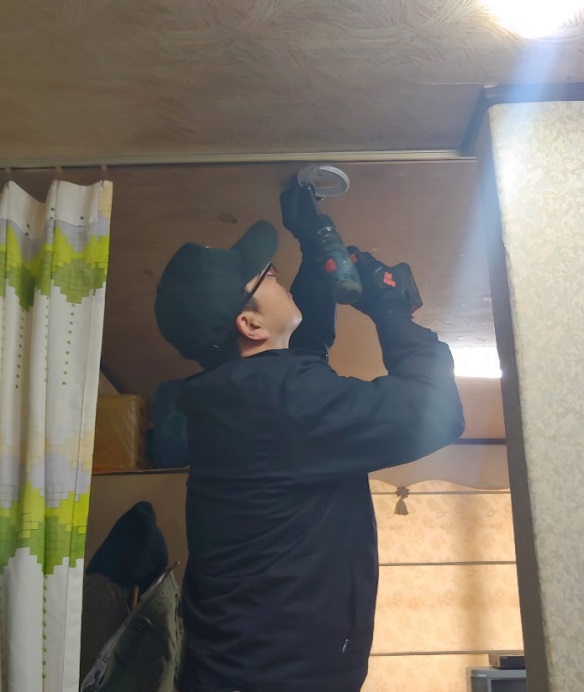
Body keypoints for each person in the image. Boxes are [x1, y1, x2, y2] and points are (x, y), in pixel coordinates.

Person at [154, 183, 465, 692]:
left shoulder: (245, 396)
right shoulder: (279, 401)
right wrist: (391, 309)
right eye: (268, 277)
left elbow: (300, 359)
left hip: (251, 672)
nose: (276, 276)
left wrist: (316, 251)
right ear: (249, 323)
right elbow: (435, 411)